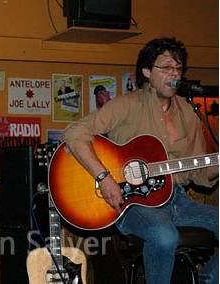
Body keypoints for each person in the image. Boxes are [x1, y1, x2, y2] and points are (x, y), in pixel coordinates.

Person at [63, 37, 218, 283]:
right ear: (147, 72)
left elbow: (197, 173)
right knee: (164, 236)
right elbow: (74, 133)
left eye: (178, 68)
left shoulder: (188, 113)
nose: (174, 74)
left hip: (177, 200)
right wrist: (104, 178)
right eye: (166, 67)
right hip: (132, 203)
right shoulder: (127, 105)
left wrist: (215, 167)